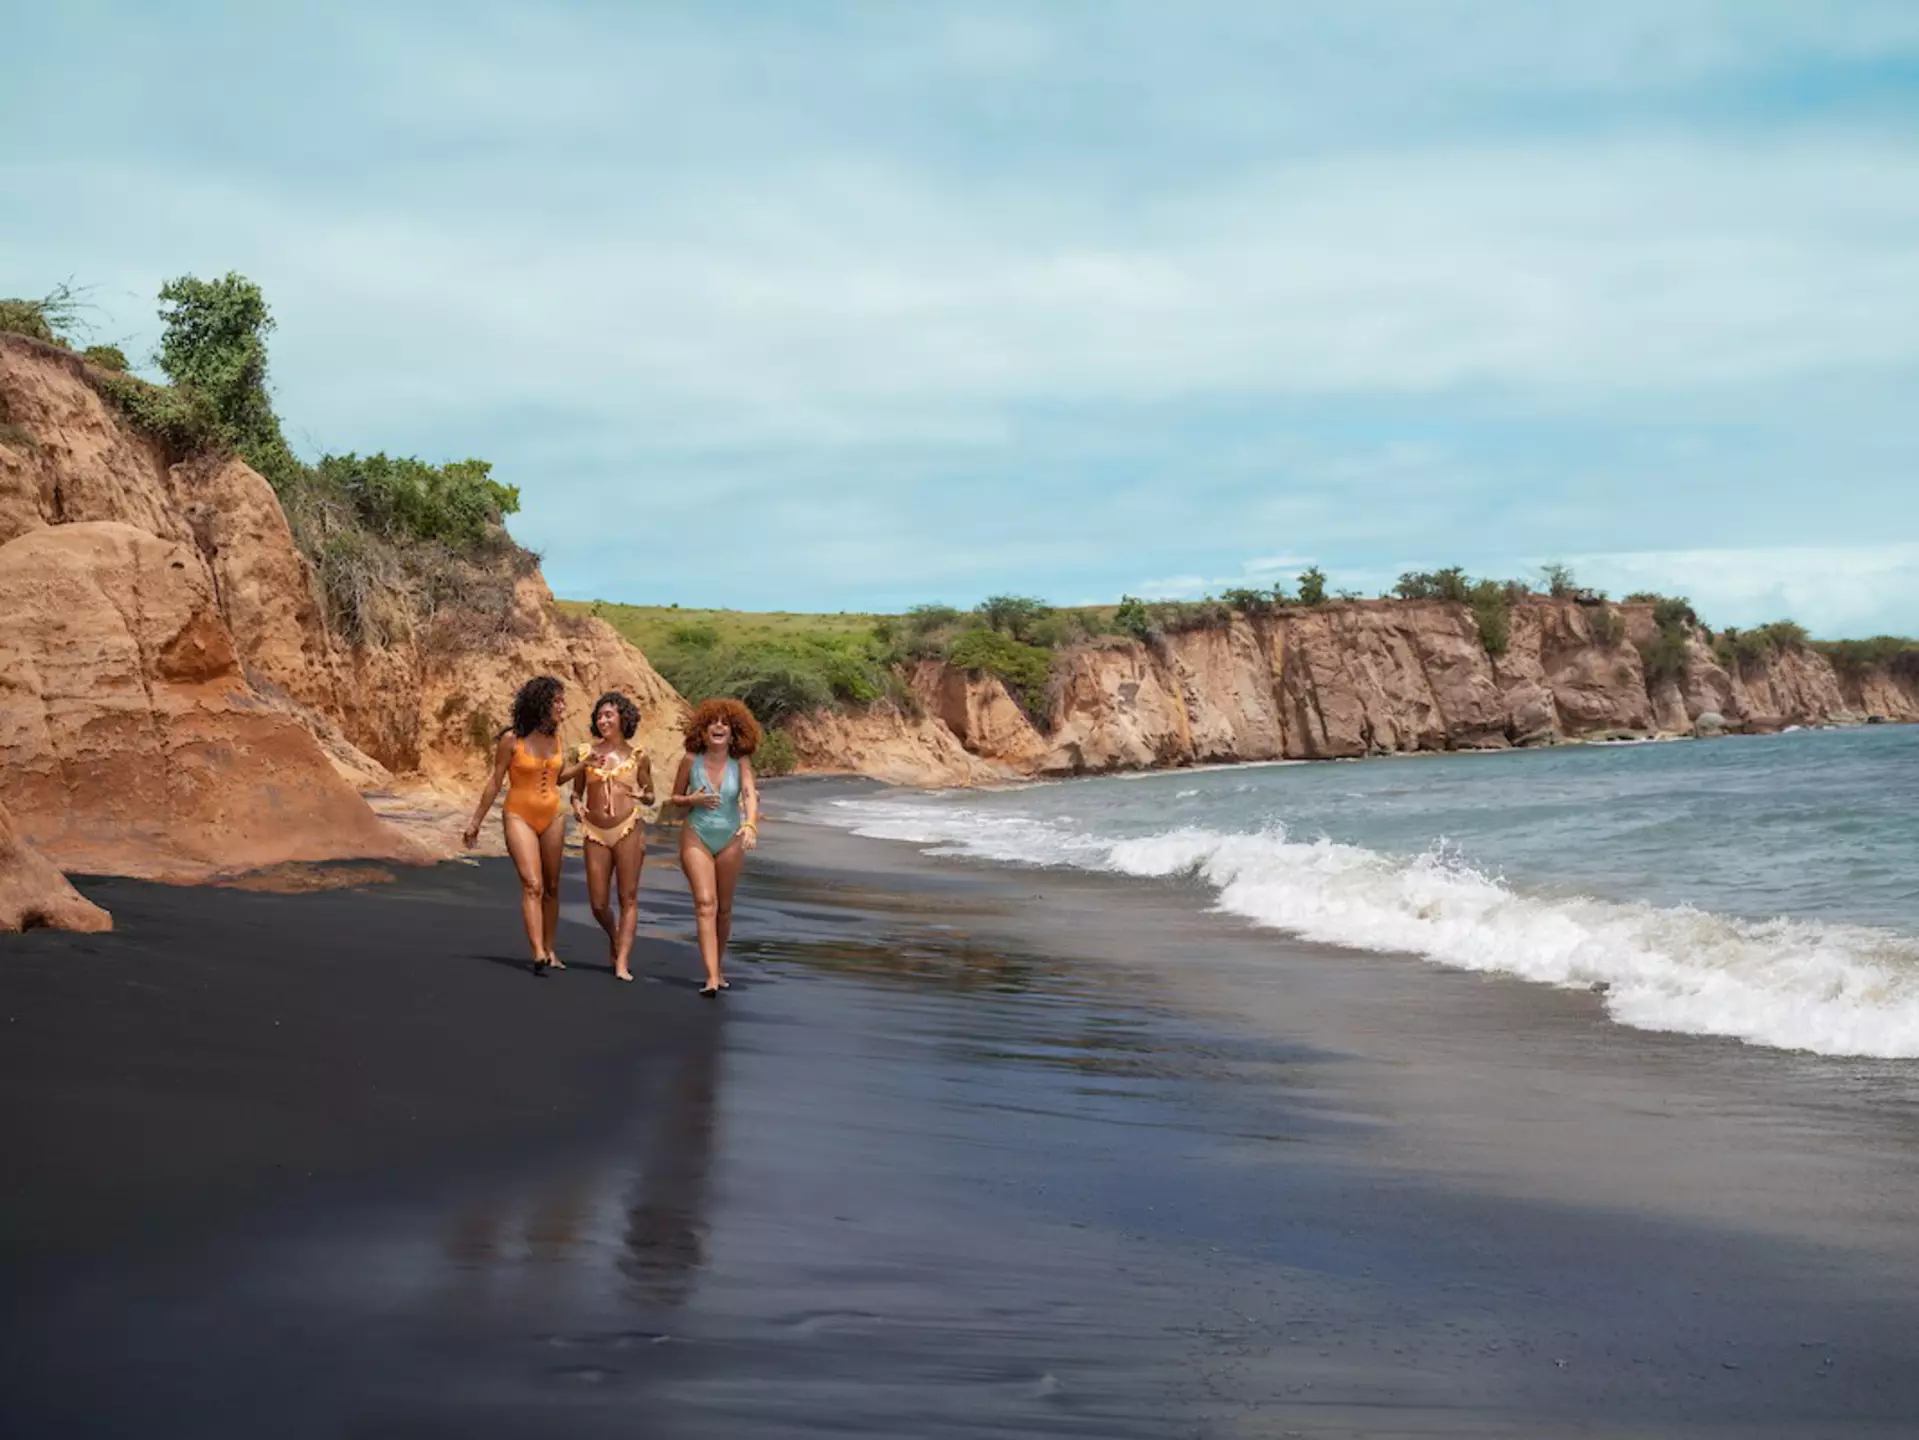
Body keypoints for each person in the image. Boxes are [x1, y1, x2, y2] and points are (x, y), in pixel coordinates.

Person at [463, 675, 585, 974]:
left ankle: (551, 948)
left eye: (562, 700)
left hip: (553, 814)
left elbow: (557, 777)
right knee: (533, 884)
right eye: (557, 700)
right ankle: (538, 951)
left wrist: (584, 766)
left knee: (553, 887)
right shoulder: (511, 739)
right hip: (518, 815)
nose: (563, 706)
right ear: (541, 703)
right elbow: (495, 781)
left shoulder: (556, 738)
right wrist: (475, 822)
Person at [668, 698, 761, 997]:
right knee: (705, 904)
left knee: (723, 908)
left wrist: (750, 824)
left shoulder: (741, 763)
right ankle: (710, 976)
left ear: (734, 733)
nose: (718, 726)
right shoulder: (689, 760)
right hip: (697, 834)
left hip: (731, 837)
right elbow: (674, 798)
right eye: (713, 722)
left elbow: (749, 794)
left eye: (725, 723)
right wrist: (691, 801)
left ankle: (718, 967)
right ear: (704, 729)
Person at [570, 691, 655, 983]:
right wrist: (577, 805)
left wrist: (644, 795)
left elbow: (651, 795)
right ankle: (614, 935)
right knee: (598, 903)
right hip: (595, 830)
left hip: (628, 827)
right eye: (600, 715)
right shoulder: (585, 753)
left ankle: (622, 961)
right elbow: (575, 791)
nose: (603, 719)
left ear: (623, 718)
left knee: (627, 897)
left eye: (609, 714)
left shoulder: (639, 757)